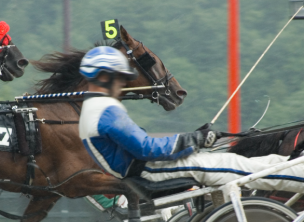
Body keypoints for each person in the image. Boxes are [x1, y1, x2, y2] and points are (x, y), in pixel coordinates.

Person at [78, 46, 304, 197]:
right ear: (104, 76)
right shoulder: (106, 110)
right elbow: (146, 148)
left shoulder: (93, 108)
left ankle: (293, 165)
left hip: (152, 168)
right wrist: (194, 139)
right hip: (153, 170)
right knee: (238, 165)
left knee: (266, 161)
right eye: (120, 78)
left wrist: (193, 140)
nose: (123, 85)